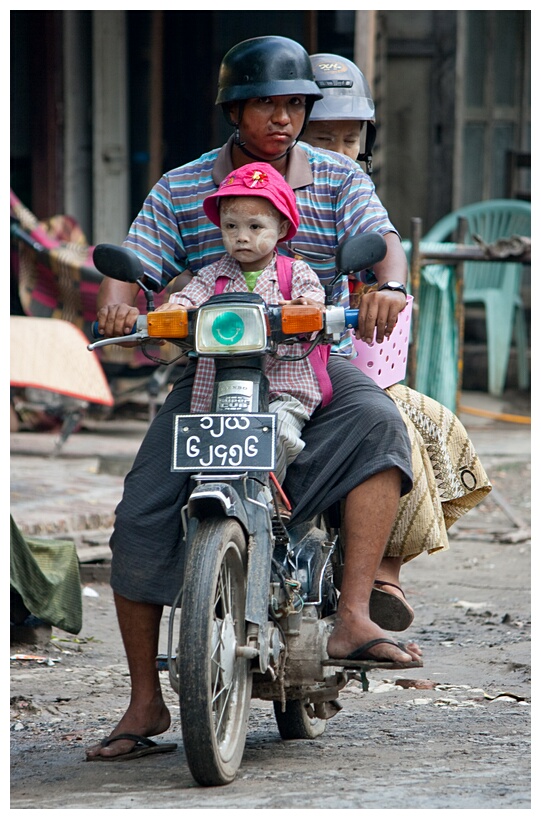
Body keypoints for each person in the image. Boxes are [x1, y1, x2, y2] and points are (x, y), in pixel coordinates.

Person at [87, 35, 421, 762]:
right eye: (267, 103)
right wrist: (118, 305)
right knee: (141, 504)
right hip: (211, 366)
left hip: (312, 360)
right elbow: (136, 262)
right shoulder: (183, 186)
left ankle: (354, 615)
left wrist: (387, 287)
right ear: (234, 110)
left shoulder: (336, 177)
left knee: (376, 422)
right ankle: (145, 698)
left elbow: (380, 239)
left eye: (295, 103)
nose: (283, 117)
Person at [302, 52, 492, 624]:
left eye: (348, 138)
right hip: (253, 357)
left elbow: (386, 248)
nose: (337, 153)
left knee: (419, 422)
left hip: (340, 359)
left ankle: (380, 575)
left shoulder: (352, 189)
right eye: (322, 137)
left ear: (366, 140)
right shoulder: (254, 191)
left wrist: (389, 287)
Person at [161, 160, 328, 485]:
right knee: (201, 443)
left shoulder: (295, 273)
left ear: (280, 229)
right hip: (218, 393)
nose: (241, 237)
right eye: (231, 227)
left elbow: (313, 302)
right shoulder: (211, 276)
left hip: (282, 388)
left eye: (255, 227)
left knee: (276, 431)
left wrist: (306, 308)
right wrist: (172, 310)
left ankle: (267, 497)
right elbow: (187, 300)